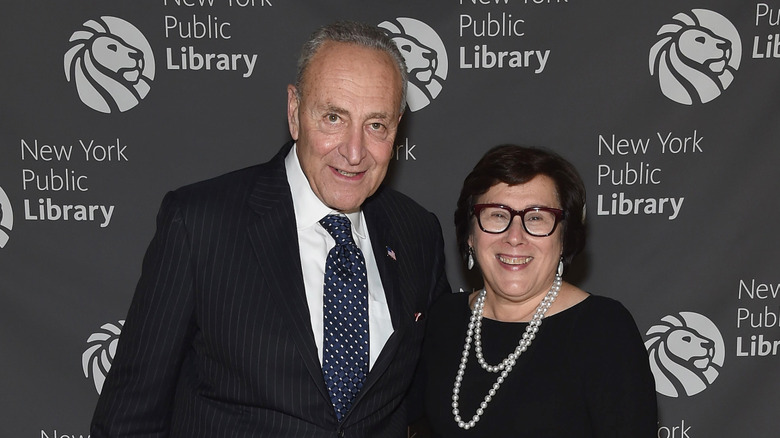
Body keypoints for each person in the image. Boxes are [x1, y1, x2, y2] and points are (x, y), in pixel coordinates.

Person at [90, 21, 450, 438]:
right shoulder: (200, 224)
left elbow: (432, 397)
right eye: (333, 117)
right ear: (295, 112)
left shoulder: (417, 233)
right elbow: (127, 419)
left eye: (376, 125)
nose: (354, 152)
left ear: (397, 127)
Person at [419, 145, 657, 437]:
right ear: (470, 234)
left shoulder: (603, 329)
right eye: (496, 215)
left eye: (536, 218)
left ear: (564, 238)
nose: (515, 237)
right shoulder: (443, 319)